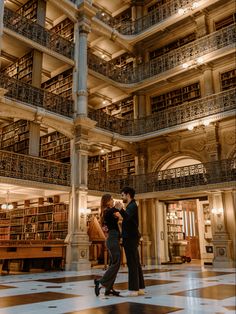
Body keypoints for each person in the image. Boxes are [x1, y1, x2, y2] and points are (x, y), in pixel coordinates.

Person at [114, 186, 145, 297]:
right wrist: (121, 212)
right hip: (132, 237)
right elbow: (128, 219)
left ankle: (133, 290)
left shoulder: (131, 205)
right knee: (136, 262)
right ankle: (140, 288)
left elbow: (127, 217)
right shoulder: (132, 205)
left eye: (122, 195)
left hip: (130, 238)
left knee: (132, 263)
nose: (122, 197)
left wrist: (120, 209)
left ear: (128, 194)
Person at [94, 194, 121, 297]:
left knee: (112, 263)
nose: (113, 200)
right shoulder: (107, 211)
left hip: (113, 238)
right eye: (112, 199)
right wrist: (116, 207)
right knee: (116, 263)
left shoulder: (109, 211)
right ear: (107, 201)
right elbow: (110, 212)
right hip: (112, 238)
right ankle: (101, 282)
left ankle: (109, 289)